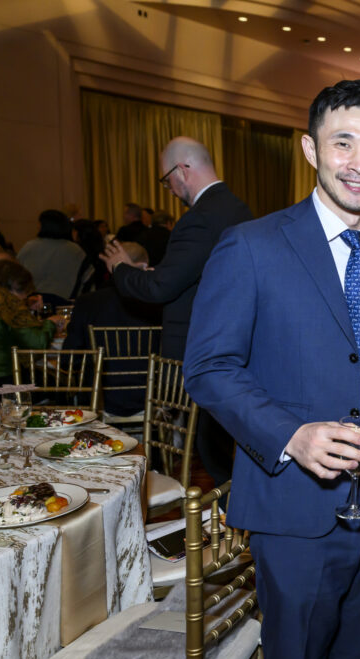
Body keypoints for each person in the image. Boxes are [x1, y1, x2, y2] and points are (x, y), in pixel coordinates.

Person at [184, 79, 360, 659]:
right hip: (298, 502)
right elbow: (209, 367)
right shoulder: (252, 246)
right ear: (311, 149)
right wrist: (291, 434)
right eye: (343, 143)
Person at [101, 135, 253, 486]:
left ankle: (232, 528)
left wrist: (121, 269)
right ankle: (234, 528)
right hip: (233, 346)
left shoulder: (199, 218)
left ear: (182, 169)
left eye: (166, 178)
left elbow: (159, 290)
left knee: (213, 458)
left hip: (202, 350)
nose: (168, 188)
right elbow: (204, 276)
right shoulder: (237, 208)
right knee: (220, 451)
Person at [63, 241, 162, 417]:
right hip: (154, 398)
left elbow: (71, 359)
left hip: (99, 400)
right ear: (144, 267)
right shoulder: (160, 304)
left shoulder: (88, 302)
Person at [0, 260, 64, 389]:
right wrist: (51, 323)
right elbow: (37, 343)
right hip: (3, 378)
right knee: (57, 385)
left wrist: (26, 305)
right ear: (15, 285)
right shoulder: (9, 304)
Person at [17, 209, 86, 299]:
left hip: (34, 300)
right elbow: (85, 279)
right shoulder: (75, 249)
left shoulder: (30, 246)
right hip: (66, 301)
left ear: (42, 225)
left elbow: (17, 274)